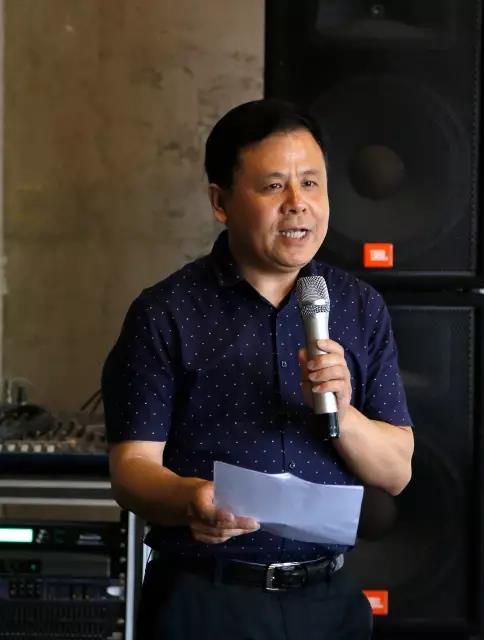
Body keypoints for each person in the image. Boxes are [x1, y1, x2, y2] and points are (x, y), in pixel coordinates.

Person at [102, 99, 414, 640]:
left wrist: (343, 412)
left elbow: (396, 472)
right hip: (205, 600)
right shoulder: (166, 312)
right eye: (273, 186)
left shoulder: (359, 306)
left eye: (311, 183)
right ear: (220, 202)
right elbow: (132, 468)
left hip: (329, 601)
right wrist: (190, 499)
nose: (298, 204)